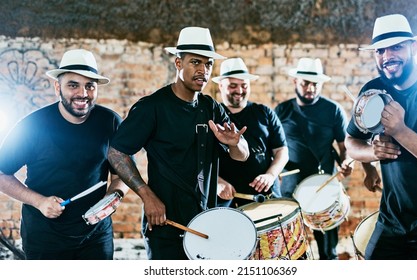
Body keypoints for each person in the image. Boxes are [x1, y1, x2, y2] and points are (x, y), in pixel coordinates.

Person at [107, 27, 249, 260]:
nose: (203, 70)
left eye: (208, 64)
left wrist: (234, 144)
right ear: (178, 63)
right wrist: (147, 196)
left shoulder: (211, 107)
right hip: (165, 225)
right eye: (195, 62)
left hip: (206, 223)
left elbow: (242, 155)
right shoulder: (151, 107)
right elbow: (116, 153)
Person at [0, 49, 129, 260]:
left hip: (95, 236)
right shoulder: (32, 125)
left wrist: (114, 197)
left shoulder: (110, 122)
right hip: (44, 236)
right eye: (73, 85)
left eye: (90, 86)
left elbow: (121, 175)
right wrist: (40, 201)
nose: (83, 93)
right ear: (57, 87)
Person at [345, 13, 417, 260]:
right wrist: (371, 154)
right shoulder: (372, 90)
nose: (387, 57)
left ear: (414, 47)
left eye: (396, 48)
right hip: (391, 223)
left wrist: (401, 131)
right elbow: (351, 142)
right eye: (380, 51)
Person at [274, 57, 353, 260]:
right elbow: (272, 148)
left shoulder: (332, 109)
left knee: (328, 248)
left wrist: (345, 163)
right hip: (291, 183)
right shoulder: (281, 111)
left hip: (323, 181)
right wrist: (273, 171)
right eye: (305, 83)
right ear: (295, 82)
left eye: (315, 84)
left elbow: (344, 145)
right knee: (291, 245)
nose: (311, 88)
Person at [212, 57, 289, 207]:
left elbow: (282, 150)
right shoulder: (212, 117)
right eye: (233, 85)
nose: (239, 91)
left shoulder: (265, 112)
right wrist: (217, 182)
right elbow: (197, 159)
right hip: (227, 198)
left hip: (265, 195)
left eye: (244, 85)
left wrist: (270, 175)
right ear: (221, 85)